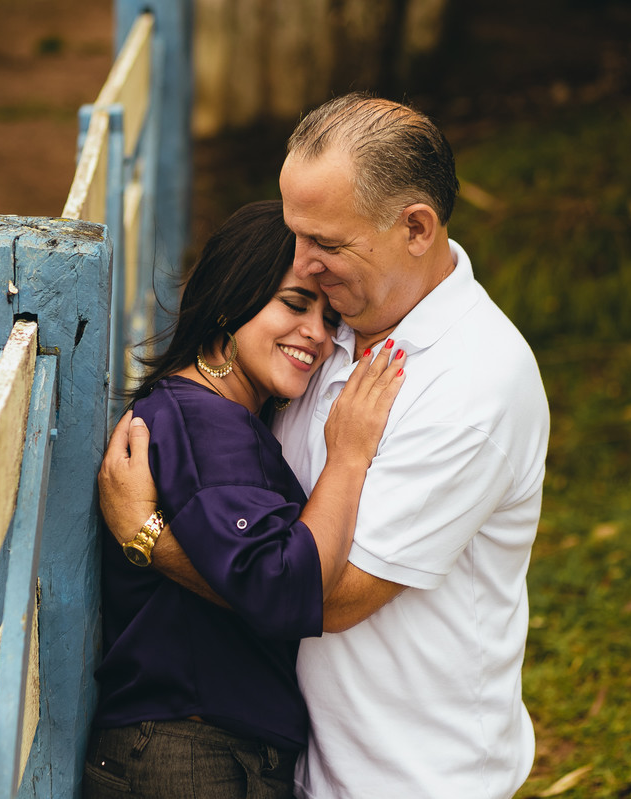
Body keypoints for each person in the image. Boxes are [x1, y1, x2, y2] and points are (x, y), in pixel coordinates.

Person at [98, 93, 550, 799]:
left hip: (411, 777)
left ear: (416, 228)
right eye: (294, 234)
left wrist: (148, 540)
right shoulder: (329, 333)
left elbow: (326, 598)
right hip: (300, 762)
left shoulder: (473, 383)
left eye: (327, 244)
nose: (304, 263)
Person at [83, 200, 406, 799]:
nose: (317, 334)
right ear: (230, 302)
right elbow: (284, 587)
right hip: (188, 757)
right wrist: (349, 457)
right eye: (294, 304)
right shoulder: (209, 425)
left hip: (194, 751)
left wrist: (147, 537)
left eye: (329, 316)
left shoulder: (206, 415)